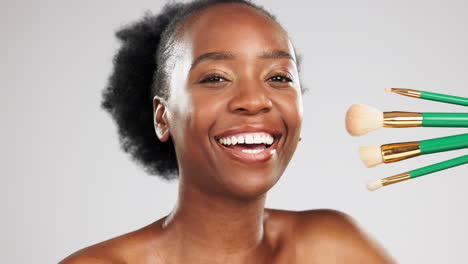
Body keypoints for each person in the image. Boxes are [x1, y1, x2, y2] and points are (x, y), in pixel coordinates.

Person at [60, 0, 395, 263]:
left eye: (278, 77)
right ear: (162, 118)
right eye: (216, 77)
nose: (254, 101)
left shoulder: (332, 248)